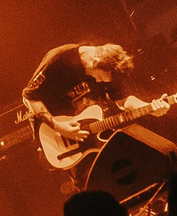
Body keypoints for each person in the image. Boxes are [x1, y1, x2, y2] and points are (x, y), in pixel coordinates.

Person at [21, 42, 161, 172]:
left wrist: (149, 107)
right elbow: (29, 96)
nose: (98, 81)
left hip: (94, 133)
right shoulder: (59, 60)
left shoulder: (109, 66)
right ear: (95, 62)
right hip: (62, 136)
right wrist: (60, 128)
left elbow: (123, 100)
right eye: (99, 77)